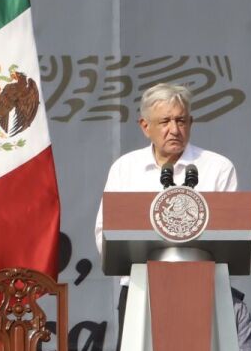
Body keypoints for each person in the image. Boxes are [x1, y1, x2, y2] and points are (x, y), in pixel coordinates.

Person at [94, 82, 237, 251]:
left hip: (201, 275)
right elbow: (105, 232)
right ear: (145, 127)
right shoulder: (125, 168)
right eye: (165, 121)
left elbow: (231, 234)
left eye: (181, 121)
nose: (175, 130)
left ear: (190, 123)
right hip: (141, 274)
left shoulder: (217, 167)